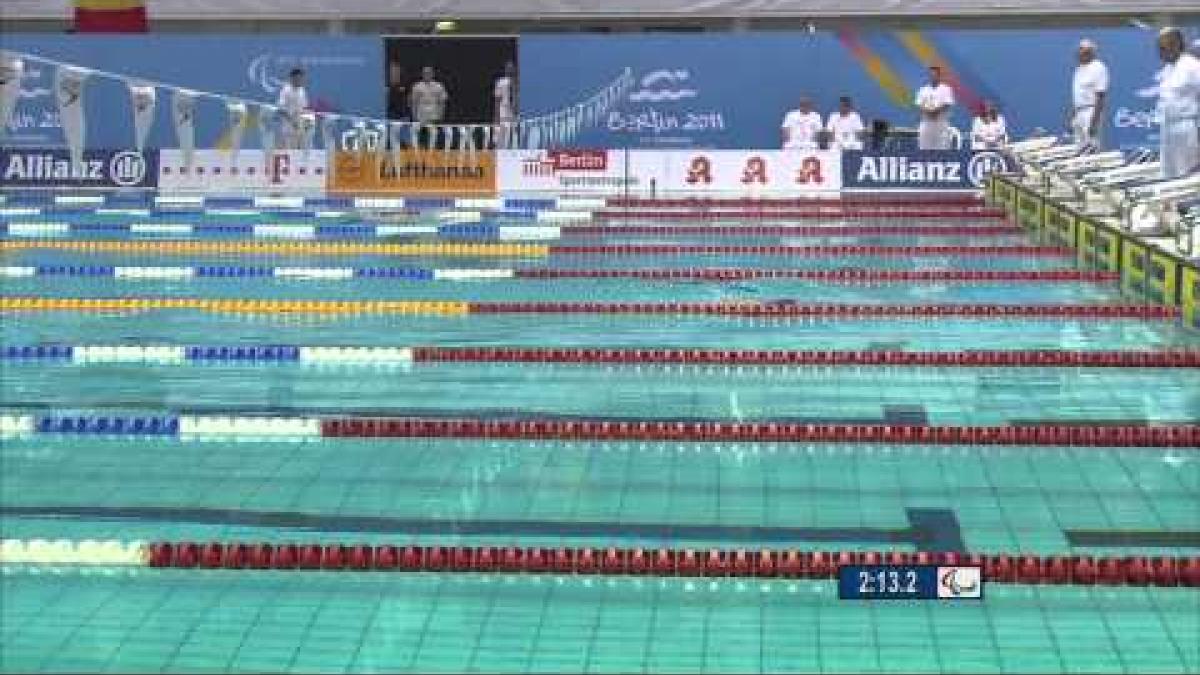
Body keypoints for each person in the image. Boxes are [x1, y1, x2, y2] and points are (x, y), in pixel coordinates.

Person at [1156, 27, 1200, 179]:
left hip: (1186, 128)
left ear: (1176, 44)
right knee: (1167, 174)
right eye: (1159, 48)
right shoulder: (1168, 69)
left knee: (1186, 175)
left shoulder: (1193, 66)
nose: (1159, 53)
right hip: (1167, 127)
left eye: (1162, 48)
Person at [1068, 39, 1109, 150]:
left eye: (1083, 50)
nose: (1079, 53)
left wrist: (1094, 122)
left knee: (1091, 147)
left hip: (1090, 111)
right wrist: (1072, 116)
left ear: (1091, 52)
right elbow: (1077, 95)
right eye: (1079, 50)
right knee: (1078, 148)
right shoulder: (1078, 69)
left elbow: (1100, 96)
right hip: (1078, 113)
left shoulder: (1099, 67)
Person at [914, 66, 955, 150]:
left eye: (935, 75)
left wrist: (936, 111)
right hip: (926, 122)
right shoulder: (923, 90)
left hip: (941, 122)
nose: (933, 77)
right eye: (931, 75)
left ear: (939, 76)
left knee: (942, 147)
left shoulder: (946, 89)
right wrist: (928, 112)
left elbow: (947, 104)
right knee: (924, 147)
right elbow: (919, 105)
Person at [410, 66, 448, 147]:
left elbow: (442, 102)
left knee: (433, 134)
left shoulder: (439, 86)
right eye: (425, 73)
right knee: (418, 135)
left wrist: (441, 114)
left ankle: (432, 150)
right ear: (422, 74)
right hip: (420, 116)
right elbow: (414, 102)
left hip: (433, 115)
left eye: (429, 73)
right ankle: (418, 151)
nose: (427, 75)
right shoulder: (417, 86)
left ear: (432, 74)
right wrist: (414, 116)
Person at [276, 68, 309, 150]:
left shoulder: (302, 91)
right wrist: (292, 121)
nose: (300, 81)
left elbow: (304, 108)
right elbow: (281, 110)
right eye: (298, 78)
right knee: (288, 153)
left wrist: (306, 120)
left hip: (299, 129)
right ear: (292, 78)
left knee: (299, 153)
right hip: (287, 130)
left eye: (302, 78)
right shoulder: (285, 90)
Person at [494, 61, 517, 148]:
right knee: (501, 142)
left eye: (512, 68)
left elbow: (516, 100)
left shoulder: (516, 83)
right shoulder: (500, 82)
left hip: (513, 116)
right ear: (505, 70)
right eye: (508, 68)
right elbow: (497, 100)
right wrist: (496, 118)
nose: (510, 70)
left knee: (513, 141)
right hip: (503, 115)